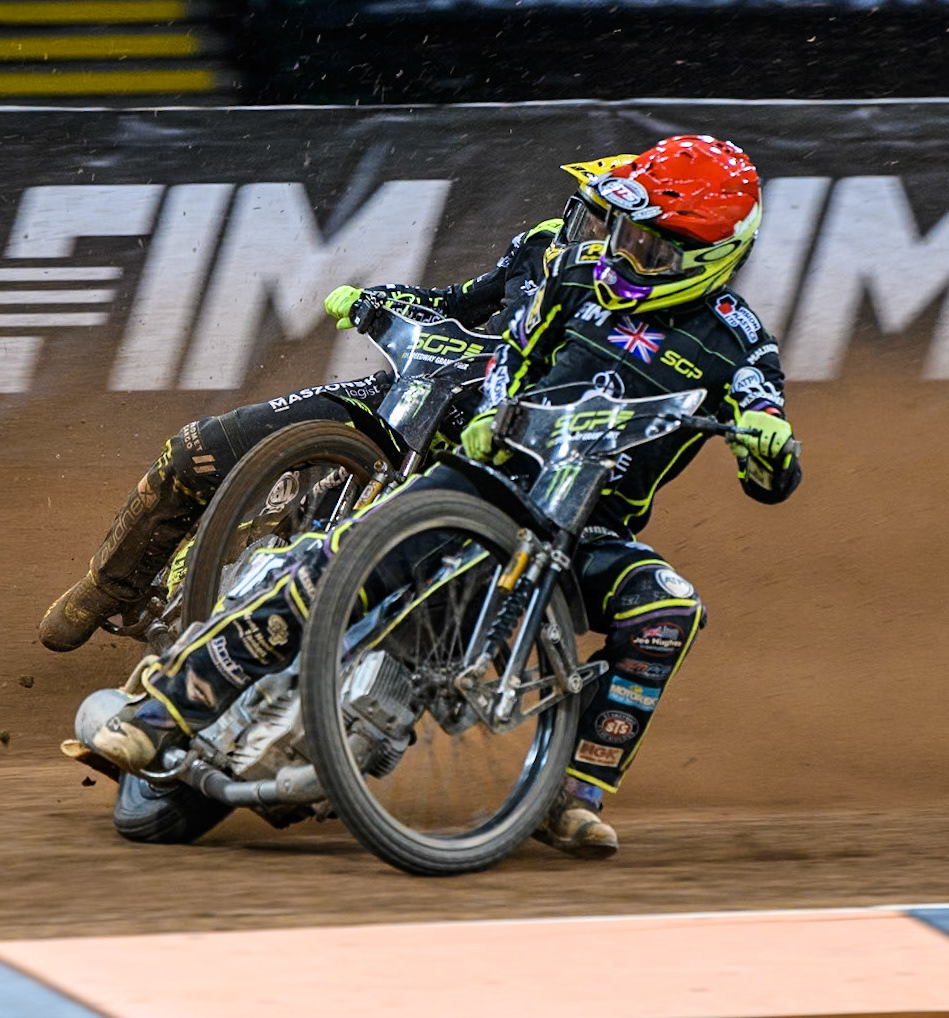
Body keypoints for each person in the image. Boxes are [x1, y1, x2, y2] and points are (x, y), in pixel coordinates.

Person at [79, 135, 802, 860]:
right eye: (624, 232)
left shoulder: (739, 343)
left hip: (585, 529)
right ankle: (164, 709)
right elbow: (516, 349)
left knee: (667, 609)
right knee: (339, 563)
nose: (626, 254)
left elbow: (766, 448)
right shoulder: (577, 270)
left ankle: (572, 795)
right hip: (490, 478)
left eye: (652, 249)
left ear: (714, 258)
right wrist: (494, 409)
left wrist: (769, 447)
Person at [37, 153, 635, 654]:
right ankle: (112, 588)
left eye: (600, 220)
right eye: (583, 210)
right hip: (404, 398)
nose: (580, 228)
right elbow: (458, 302)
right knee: (196, 452)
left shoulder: (634, 315)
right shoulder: (541, 245)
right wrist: (382, 298)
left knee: (350, 576)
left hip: (488, 452)